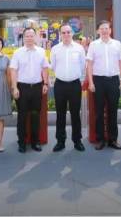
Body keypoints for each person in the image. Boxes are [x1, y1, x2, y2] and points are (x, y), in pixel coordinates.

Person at [10, 27, 50, 153]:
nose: (29, 38)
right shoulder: (18, 52)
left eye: (31, 36)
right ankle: (21, 142)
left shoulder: (41, 51)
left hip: (37, 87)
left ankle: (35, 141)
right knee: (22, 116)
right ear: (23, 38)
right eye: (27, 36)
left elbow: (45, 68)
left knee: (35, 115)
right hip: (22, 88)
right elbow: (13, 71)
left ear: (35, 37)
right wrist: (14, 87)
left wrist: (45, 83)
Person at [86, 20, 121, 150]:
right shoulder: (93, 45)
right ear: (98, 31)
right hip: (98, 81)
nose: (104, 31)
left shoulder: (117, 44)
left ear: (110, 30)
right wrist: (91, 82)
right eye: (102, 28)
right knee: (99, 112)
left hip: (114, 80)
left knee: (113, 111)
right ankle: (100, 139)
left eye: (106, 28)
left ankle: (113, 139)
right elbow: (89, 64)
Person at [50, 24, 86, 152]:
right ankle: (60, 141)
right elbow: (53, 66)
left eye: (68, 32)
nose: (66, 34)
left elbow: (82, 66)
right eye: (63, 32)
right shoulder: (55, 49)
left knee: (75, 114)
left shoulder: (79, 48)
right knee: (60, 114)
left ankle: (77, 141)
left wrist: (79, 79)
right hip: (60, 84)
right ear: (60, 34)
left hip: (75, 84)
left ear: (72, 33)